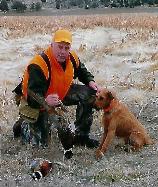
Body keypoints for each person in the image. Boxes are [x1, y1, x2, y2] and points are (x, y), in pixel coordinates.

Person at [13, 29, 101, 148]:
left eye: (66, 48)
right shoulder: (39, 64)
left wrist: (90, 81)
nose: (63, 52)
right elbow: (32, 94)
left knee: (90, 94)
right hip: (35, 101)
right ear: (52, 45)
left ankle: (81, 137)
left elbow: (82, 71)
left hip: (59, 94)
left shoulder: (72, 57)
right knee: (41, 145)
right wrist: (45, 101)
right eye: (59, 47)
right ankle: (22, 125)